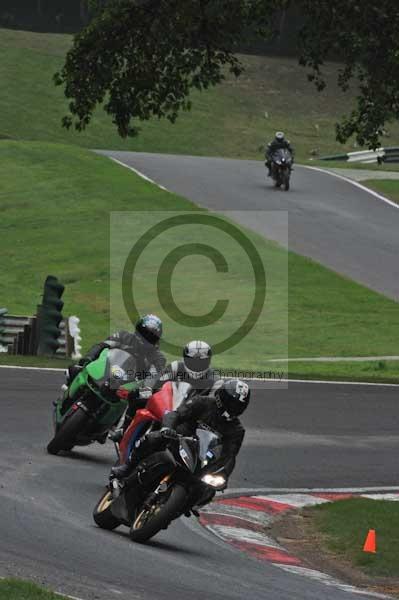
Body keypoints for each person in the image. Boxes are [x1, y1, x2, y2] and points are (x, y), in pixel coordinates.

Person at [111, 378, 251, 512]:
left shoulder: (237, 430)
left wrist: (222, 475)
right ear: (222, 397)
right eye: (231, 403)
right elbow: (175, 415)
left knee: (209, 488)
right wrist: (168, 428)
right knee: (154, 438)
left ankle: (187, 505)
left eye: (238, 406)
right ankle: (126, 467)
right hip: (178, 441)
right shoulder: (203, 402)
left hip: (200, 460)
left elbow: (229, 456)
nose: (233, 408)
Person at [65, 314, 166, 430]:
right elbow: (103, 345)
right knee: (76, 369)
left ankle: (120, 429)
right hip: (108, 370)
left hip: (129, 385)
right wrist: (88, 358)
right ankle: (67, 394)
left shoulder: (158, 357)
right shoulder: (123, 336)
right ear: (138, 330)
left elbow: (153, 376)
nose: (146, 337)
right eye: (144, 332)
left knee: (140, 402)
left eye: (151, 336)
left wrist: (143, 389)